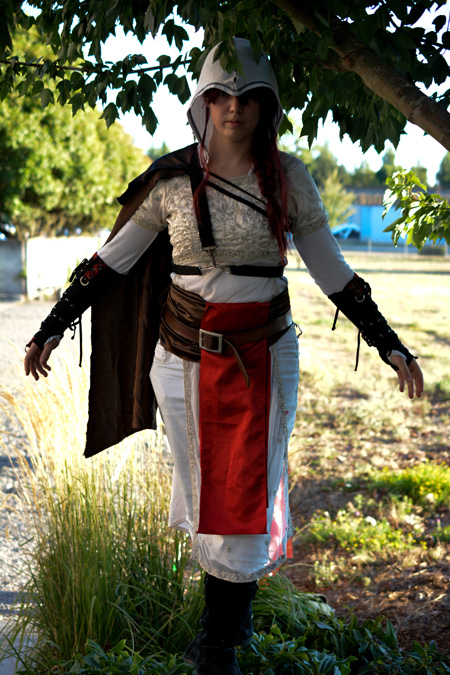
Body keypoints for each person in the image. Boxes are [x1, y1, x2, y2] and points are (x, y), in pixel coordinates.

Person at [24, 38, 423, 675]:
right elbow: (110, 262)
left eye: (248, 97)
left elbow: (333, 271)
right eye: (221, 96)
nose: (234, 108)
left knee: (245, 493)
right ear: (203, 103)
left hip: (267, 356)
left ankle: (219, 649)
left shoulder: (290, 178)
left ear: (266, 106)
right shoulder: (171, 181)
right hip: (183, 360)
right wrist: (51, 326)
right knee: (208, 491)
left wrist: (389, 343)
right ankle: (220, 638)